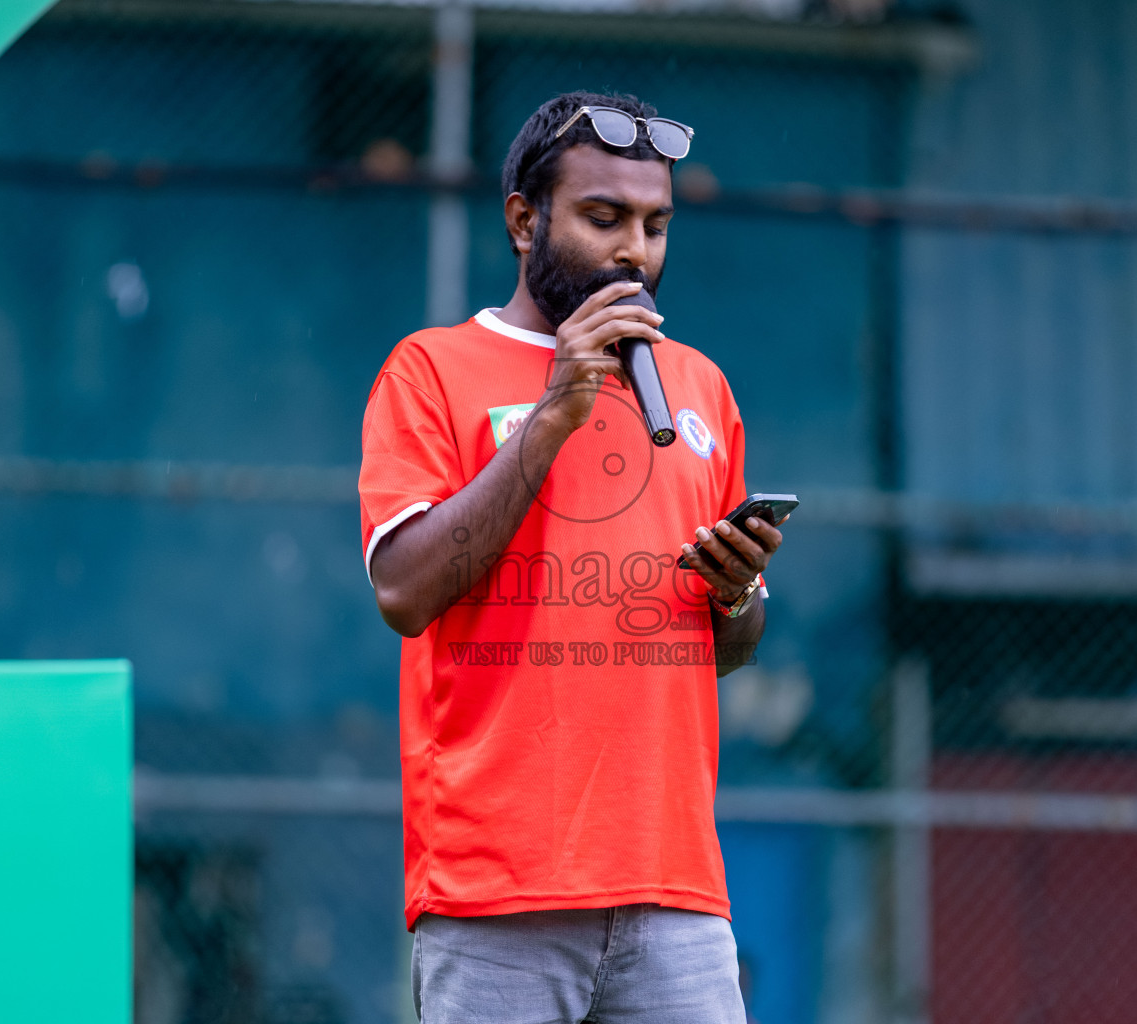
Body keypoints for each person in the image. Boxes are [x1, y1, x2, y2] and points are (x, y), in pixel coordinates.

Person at [358, 90, 783, 1023]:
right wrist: (554, 413)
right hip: (495, 891)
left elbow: (735, 645)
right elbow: (401, 589)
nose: (635, 250)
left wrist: (736, 589)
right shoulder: (429, 371)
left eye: (655, 224)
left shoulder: (700, 388)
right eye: (604, 218)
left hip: (675, 891)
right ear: (524, 221)